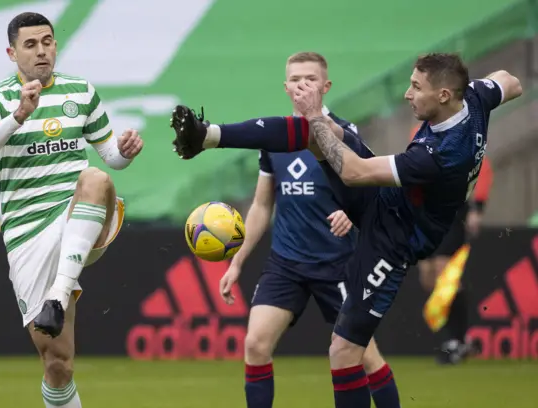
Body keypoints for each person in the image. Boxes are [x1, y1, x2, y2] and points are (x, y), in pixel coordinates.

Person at [170, 52, 522, 408]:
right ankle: (207, 135)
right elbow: (511, 80)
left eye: (416, 87)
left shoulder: (439, 154)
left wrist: (313, 115)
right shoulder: (473, 98)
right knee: (316, 133)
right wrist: (479, 87)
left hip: (395, 238)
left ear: (443, 96)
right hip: (383, 205)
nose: (406, 94)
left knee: (343, 350)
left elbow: (355, 173)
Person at [0, 12, 143, 408]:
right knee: (58, 364)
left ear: (56, 45)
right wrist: (17, 116)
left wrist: (125, 154)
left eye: (47, 41)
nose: (41, 50)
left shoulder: (80, 91)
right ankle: (55, 305)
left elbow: (111, 157)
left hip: (79, 211)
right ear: (12, 53)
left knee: (95, 178)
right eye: (30, 44)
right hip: (27, 233)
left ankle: (59, 295)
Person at [219, 52, 401, 408]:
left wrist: (350, 214)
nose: (302, 85)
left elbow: (369, 191)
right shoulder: (275, 138)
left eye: (311, 79)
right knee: (255, 344)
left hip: (339, 264)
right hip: (286, 264)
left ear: (325, 86)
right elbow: (261, 205)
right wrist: (237, 261)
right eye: (295, 79)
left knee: (365, 357)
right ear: (285, 87)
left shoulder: (343, 133)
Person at [416, 141, 494, 365]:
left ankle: (455, 340)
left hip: (453, 213)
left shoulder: (458, 133)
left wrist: (477, 208)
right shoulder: (419, 135)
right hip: (428, 215)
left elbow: (483, 167)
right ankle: (464, 338)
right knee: (428, 278)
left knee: (444, 272)